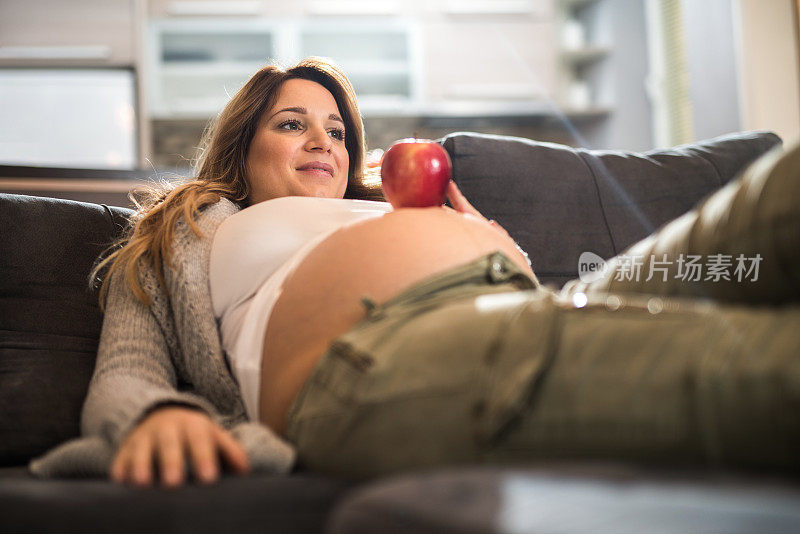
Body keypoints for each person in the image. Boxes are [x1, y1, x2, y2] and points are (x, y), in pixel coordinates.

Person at [31, 57, 800, 487]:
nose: (322, 140)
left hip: (537, 307)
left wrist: (500, 253)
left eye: (336, 129)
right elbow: (126, 372)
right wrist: (156, 418)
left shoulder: (384, 207)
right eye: (292, 122)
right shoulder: (182, 234)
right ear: (243, 145)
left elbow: (522, 298)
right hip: (377, 363)